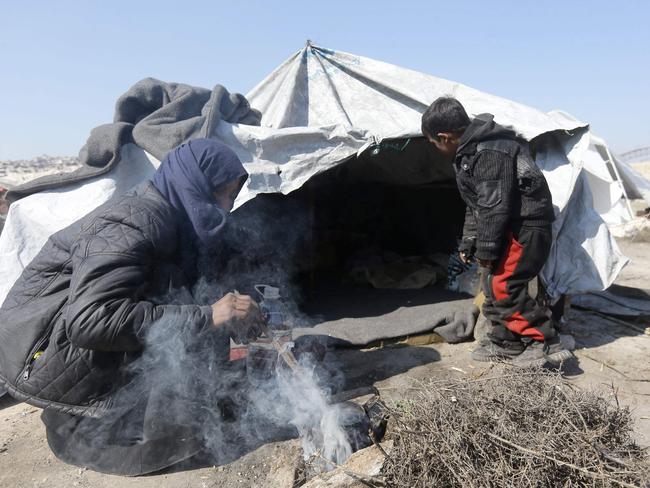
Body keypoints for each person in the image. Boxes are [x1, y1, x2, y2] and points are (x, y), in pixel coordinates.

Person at [0, 139, 266, 474]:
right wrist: (210, 314)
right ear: (193, 183)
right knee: (183, 431)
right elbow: (90, 320)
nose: (225, 208)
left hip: (76, 355)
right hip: (48, 357)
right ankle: (84, 423)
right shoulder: (133, 221)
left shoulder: (171, 217)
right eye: (221, 194)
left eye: (231, 197)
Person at [421, 97, 572, 366]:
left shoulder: (490, 151)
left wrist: (487, 250)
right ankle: (506, 341)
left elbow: (494, 208)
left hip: (524, 228)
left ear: (444, 137)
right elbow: (476, 204)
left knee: (504, 286)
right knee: (490, 285)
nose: (435, 148)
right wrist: (469, 243)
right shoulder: (470, 152)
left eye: (434, 143)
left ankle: (543, 341)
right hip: (507, 226)